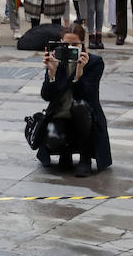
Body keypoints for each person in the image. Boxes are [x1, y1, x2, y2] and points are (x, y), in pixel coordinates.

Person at [37, 23, 111, 177]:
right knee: (53, 137)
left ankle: (85, 158)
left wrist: (78, 74)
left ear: (83, 45)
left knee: (79, 106)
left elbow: (87, 95)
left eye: (75, 44)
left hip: (86, 114)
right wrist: (52, 73)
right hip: (60, 113)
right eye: (66, 44)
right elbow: (46, 96)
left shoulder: (94, 63)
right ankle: (65, 153)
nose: (69, 48)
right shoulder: (56, 60)